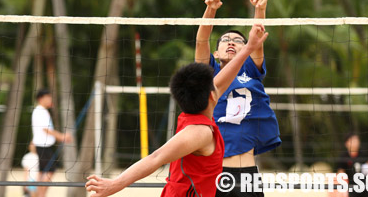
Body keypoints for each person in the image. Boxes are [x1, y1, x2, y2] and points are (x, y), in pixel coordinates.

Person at [85, 24, 269, 197]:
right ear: (213, 97)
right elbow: (155, 158)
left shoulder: (193, 115)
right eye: (215, 89)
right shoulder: (200, 132)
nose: (218, 87)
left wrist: (248, 48)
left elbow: (225, 78)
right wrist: (115, 185)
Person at [195, 0, 281, 197]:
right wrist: (211, 10)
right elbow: (201, 41)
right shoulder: (210, 72)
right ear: (216, 53)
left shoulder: (250, 69)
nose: (231, 42)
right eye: (225, 40)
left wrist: (260, 9)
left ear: (246, 49)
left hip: (246, 175)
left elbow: (258, 38)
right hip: (215, 172)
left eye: (238, 40)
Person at [32, 88, 72, 197]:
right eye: (48, 97)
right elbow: (46, 129)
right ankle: (40, 195)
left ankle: (37, 195)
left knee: (43, 173)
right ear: (41, 99)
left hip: (43, 146)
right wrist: (62, 137)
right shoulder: (40, 111)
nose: (50, 99)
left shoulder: (41, 110)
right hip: (43, 146)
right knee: (49, 172)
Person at [337, 133, 368, 197]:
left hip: (365, 186)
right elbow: (340, 173)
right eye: (353, 140)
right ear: (347, 143)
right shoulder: (343, 157)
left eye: (357, 140)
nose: (356, 142)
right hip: (352, 187)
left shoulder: (364, 154)